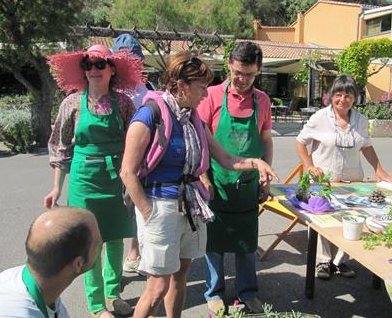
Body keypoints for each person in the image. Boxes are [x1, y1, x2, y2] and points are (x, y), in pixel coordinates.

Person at [120, 52, 278, 318]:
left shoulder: (193, 118)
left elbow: (226, 158)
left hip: (190, 206)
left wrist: (256, 163)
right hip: (160, 206)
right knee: (158, 286)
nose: (206, 95)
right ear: (181, 85)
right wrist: (148, 212)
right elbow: (127, 173)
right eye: (202, 88)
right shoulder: (148, 116)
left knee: (180, 278)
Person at [44, 44, 145, 318]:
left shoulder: (124, 103)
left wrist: (133, 178)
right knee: (92, 241)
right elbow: (61, 147)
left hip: (116, 179)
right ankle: (96, 304)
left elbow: (133, 143)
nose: (93, 70)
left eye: (100, 64)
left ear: (112, 69)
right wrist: (56, 187)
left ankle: (113, 294)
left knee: (114, 238)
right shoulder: (72, 103)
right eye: (88, 64)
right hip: (84, 180)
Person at [196, 41, 273, 314]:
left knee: (246, 242)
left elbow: (265, 140)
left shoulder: (262, 101)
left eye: (249, 74)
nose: (241, 80)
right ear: (229, 64)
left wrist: (266, 175)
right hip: (216, 181)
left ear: (259, 71)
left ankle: (247, 292)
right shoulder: (212, 95)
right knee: (214, 242)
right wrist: (204, 177)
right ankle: (213, 293)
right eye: (238, 72)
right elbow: (201, 141)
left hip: (248, 184)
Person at [295, 74, 392, 280]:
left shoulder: (360, 119)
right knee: (323, 219)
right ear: (331, 96)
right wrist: (309, 165)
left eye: (348, 95)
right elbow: (300, 142)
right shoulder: (319, 118)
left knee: (351, 219)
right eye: (338, 95)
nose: (343, 99)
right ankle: (324, 261)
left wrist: (380, 171)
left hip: (353, 180)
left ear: (355, 97)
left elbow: (366, 147)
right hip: (323, 180)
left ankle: (341, 262)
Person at [0, 207, 102, 317]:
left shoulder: (39, 284)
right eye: (97, 246)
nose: (100, 249)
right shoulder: (17, 313)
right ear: (78, 264)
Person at [112, 33, 153, 274]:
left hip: (142, 158)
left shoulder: (148, 88)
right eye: (125, 60)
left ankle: (135, 250)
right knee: (114, 210)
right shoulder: (107, 86)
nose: (131, 65)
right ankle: (110, 272)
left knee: (136, 203)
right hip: (113, 155)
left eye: (134, 60)